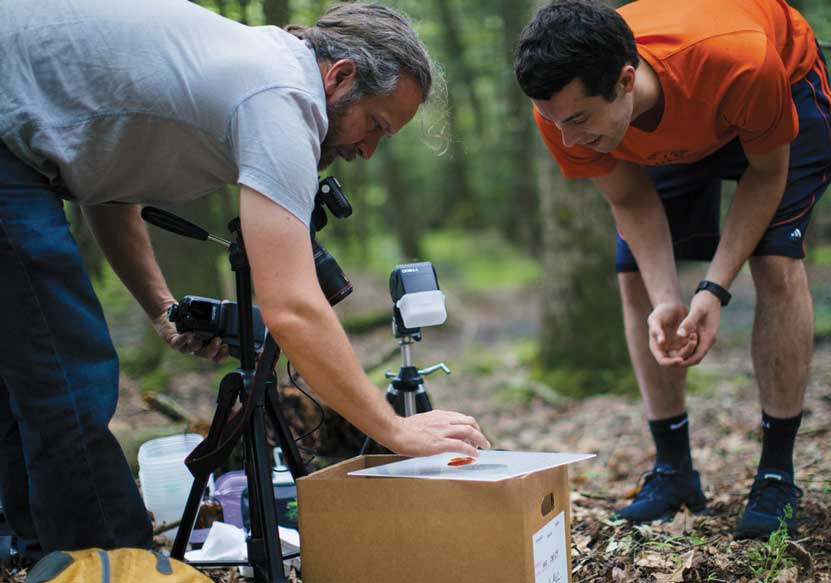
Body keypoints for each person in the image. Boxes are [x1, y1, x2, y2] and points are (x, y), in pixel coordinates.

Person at [0, 0, 489, 559]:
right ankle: (108, 562)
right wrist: (394, 428)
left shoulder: (247, 68)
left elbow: (106, 190)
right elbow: (292, 305)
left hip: (18, 130)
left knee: (26, 365)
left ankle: (37, 550)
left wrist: (161, 307)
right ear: (341, 75)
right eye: (375, 125)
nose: (367, 152)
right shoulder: (282, 97)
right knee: (67, 366)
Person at [514, 0, 831, 539]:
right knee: (636, 278)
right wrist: (669, 297)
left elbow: (766, 176)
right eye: (556, 123)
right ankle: (674, 472)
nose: (568, 141)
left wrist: (713, 289)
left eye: (578, 120)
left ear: (625, 81)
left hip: (780, 84)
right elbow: (628, 198)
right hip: (671, 127)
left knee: (775, 262)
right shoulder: (560, 109)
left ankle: (776, 476)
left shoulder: (741, 61)